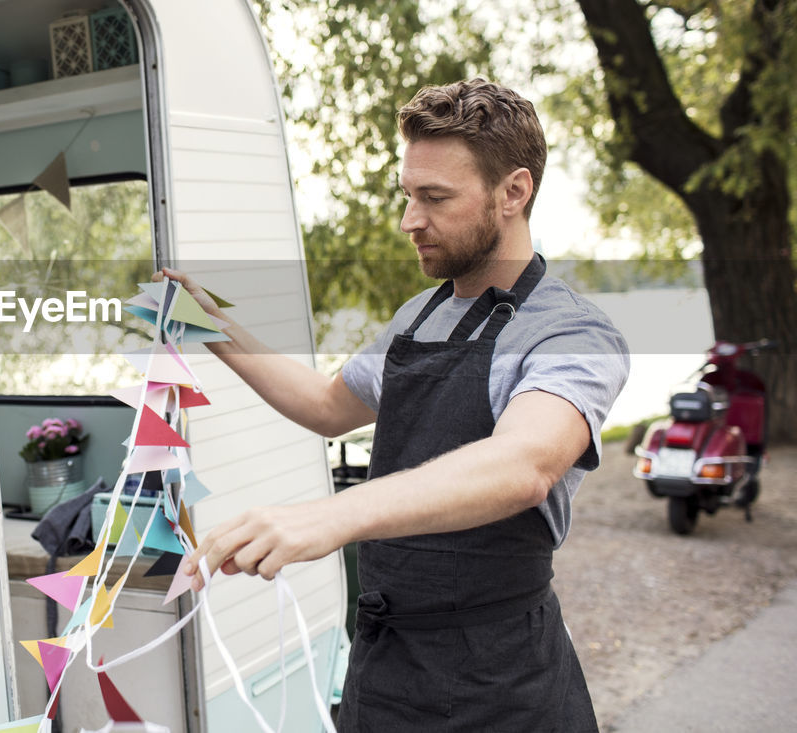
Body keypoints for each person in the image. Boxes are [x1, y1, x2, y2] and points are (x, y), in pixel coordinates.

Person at [160, 78, 629, 731]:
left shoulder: (572, 333)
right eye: (408, 195)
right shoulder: (418, 316)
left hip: (499, 684)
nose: (410, 220)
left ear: (513, 192)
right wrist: (208, 325)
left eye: (435, 198)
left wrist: (329, 518)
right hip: (386, 670)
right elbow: (328, 406)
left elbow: (525, 465)